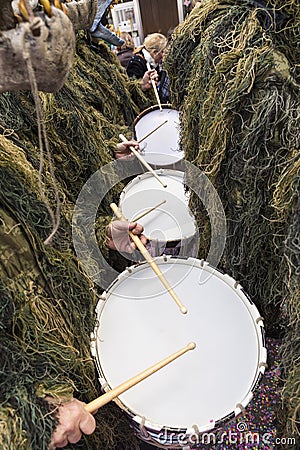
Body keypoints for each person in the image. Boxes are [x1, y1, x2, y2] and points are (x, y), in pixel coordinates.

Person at [126, 32, 170, 103]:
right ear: (154, 52)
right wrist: (142, 85)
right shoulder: (136, 63)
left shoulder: (154, 64)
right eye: (162, 52)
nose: (164, 55)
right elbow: (132, 91)